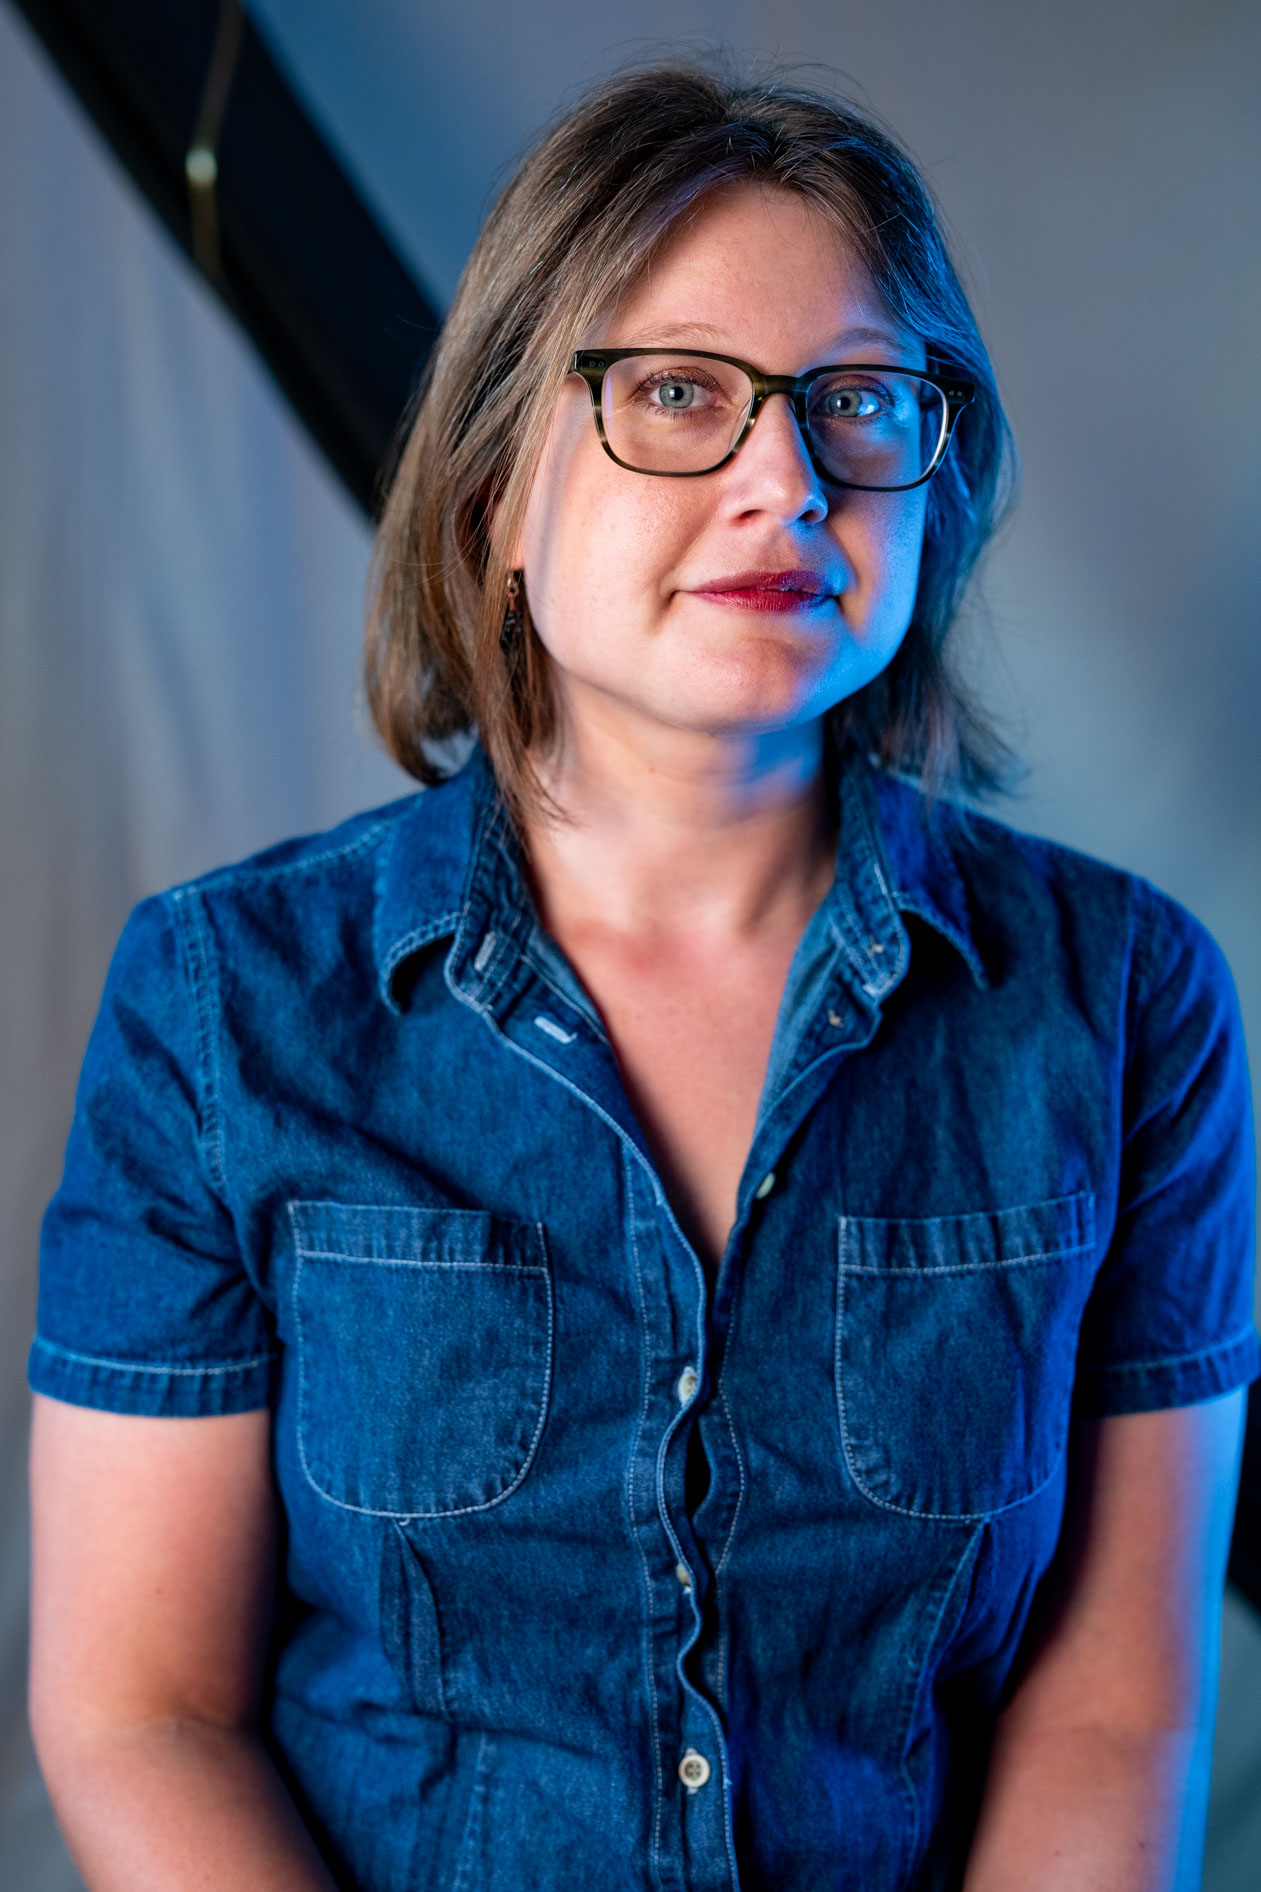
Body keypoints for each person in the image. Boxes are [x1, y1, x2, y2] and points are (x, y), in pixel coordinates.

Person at [27, 62, 1257, 1892]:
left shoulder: (1125, 1000)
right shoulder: (225, 1004)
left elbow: (1115, 1708)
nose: (785, 477)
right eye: (678, 393)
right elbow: (141, 1715)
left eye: (854, 402)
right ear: (498, 497)